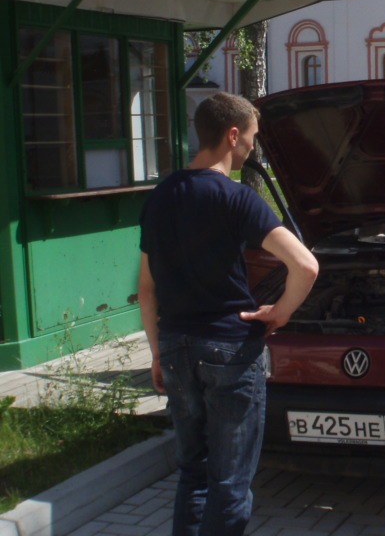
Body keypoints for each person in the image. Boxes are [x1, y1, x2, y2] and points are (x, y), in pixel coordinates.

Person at [137, 92, 319, 536]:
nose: (253, 149)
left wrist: (158, 353)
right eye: (252, 139)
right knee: (230, 484)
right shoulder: (236, 198)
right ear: (232, 135)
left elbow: (146, 288)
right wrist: (279, 313)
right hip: (230, 352)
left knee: (193, 474)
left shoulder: (160, 196)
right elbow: (306, 265)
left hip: (178, 349)